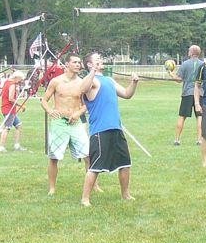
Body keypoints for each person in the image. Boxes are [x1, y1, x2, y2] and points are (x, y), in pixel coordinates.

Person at [79, 52, 139, 207]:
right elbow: (82, 88)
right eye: (96, 59)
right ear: (89, 64)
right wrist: (93, 71)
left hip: (116, 128)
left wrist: (134, 83)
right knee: (95, 167)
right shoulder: (92, 82)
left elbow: (126, 94)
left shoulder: (109, 80)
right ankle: (85, 199)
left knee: (125, 164)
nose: (100, 60)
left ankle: (125, 194)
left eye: (100, 59)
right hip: (100, 131)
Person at [41, 54, 91, 195]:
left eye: (79, 62)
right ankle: (52, 188)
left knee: (88, 155)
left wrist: (77, 114)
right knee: (54, 157)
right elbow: (44, 100)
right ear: (67, 64)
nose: (78, 65)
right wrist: (50, 111)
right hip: (59, 123)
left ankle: (94, 185)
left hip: (75, 123)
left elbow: (86, 104)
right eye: (75, 62)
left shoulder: (82, 83)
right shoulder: (56, 81)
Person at [170, 44, 203, 146]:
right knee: (200, 116)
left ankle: (177, 140)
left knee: (182, 116)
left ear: (191, 53)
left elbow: (179, 80)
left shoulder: (185, 64)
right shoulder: (203, 65)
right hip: (200, 94)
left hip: (187, 94)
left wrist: (171, 74)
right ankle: (199, 140)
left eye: (189, 50)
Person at [0, 70, 27, 152]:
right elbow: (11, 99)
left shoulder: (7, 82)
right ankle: (1, 147)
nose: (21, 81)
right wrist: (21, 106)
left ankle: (17, 146)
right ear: (16, 77)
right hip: (8, 109)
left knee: (19, 126)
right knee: (7, 128)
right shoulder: (12, 85)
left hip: (9, 109)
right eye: (20, 79)